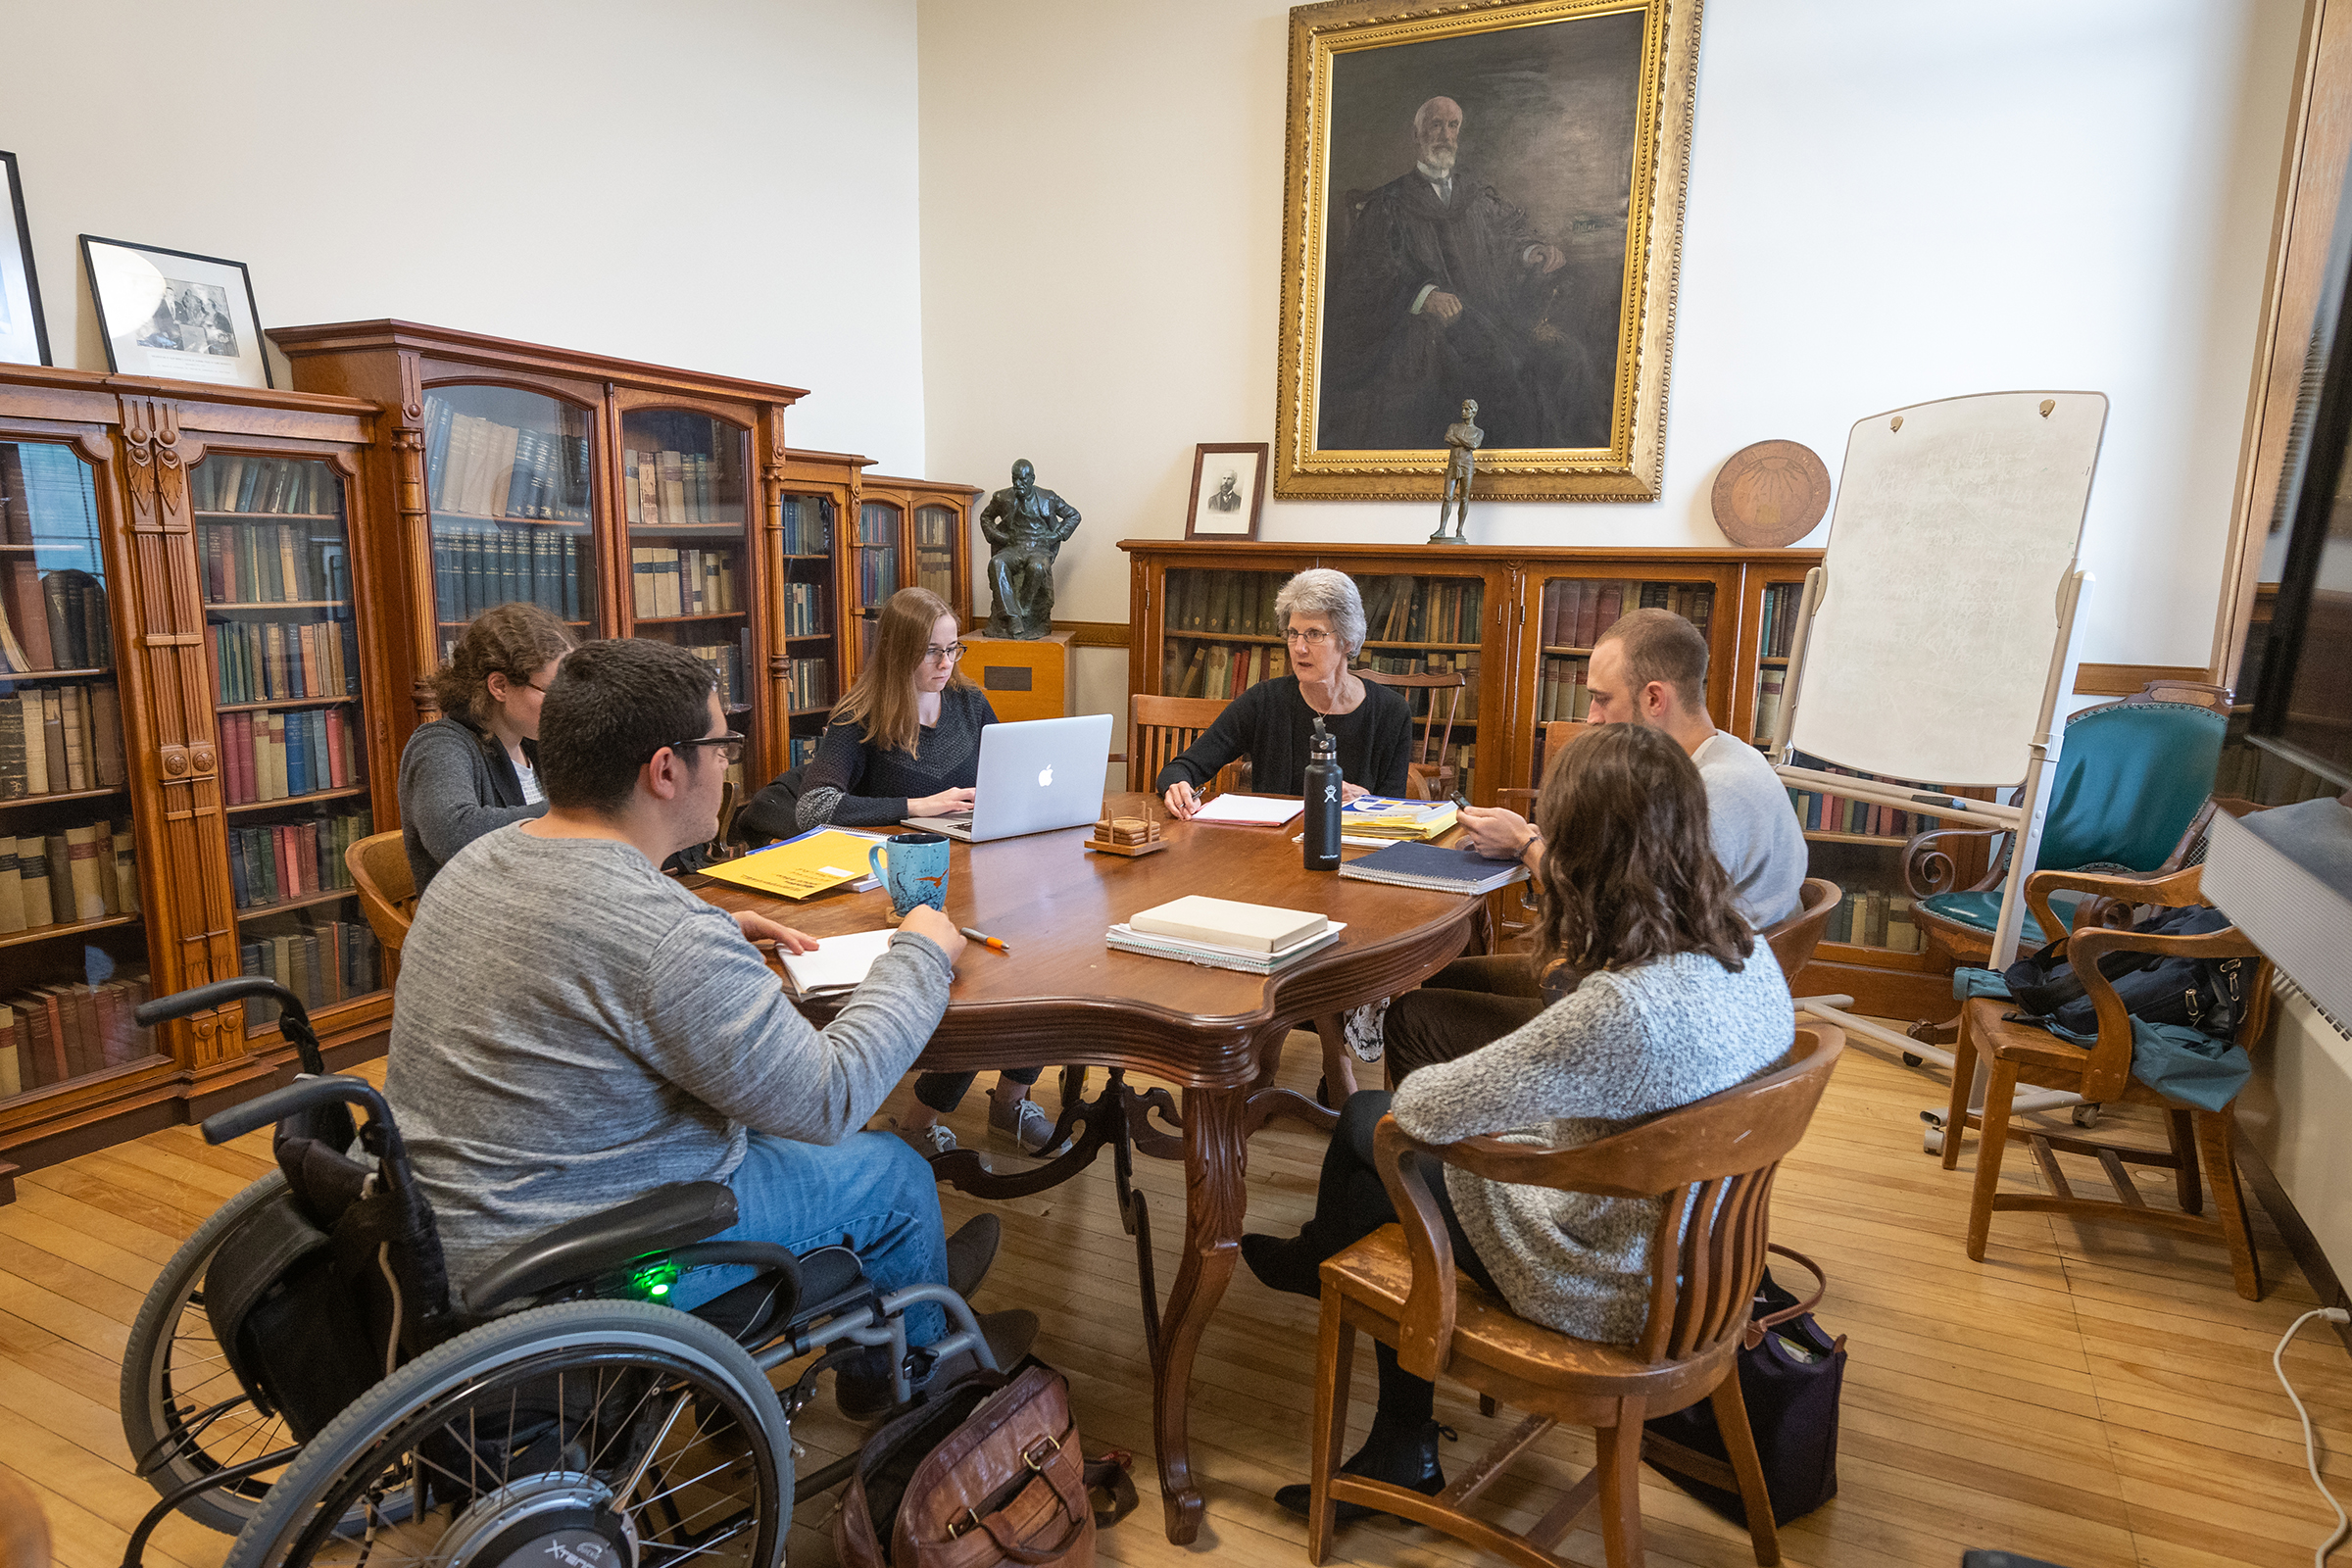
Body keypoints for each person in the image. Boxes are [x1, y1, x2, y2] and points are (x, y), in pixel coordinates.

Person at [382, 637, 1032, 1417]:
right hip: (585, 1259)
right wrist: (921, 954)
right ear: (665, 769)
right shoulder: (661, 938)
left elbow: (593, 951)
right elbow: (831, 1099)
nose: (730, 763)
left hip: (449, 1232)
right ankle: (921, 1377)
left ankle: (905, 1289)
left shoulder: (480, 863)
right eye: (721, 745)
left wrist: (706, 924)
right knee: (893, 1172)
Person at [1239, 722, 1795, 1522]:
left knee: (1373, 1123)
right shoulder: (1746, 952)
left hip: (1606, 1281)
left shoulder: (1624, 1007)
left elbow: (1428, 1108)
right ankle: (1382, 1398)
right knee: (1379, 1152)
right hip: (1702, 1261)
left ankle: (1382, 1398)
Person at [1365, 607, 1808, 1082]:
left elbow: (1621, 922)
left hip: (1661, 1020)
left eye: (1602, 699)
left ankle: (1461, 1147)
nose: (1592, 718)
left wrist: (1526, 844)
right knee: (1442, 977)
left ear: (1655, 698)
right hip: (1682, 987)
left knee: (1412, 1017)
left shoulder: (1711, 798)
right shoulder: (1725, 756)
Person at [796, 586, 1060, 1158]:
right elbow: (813, 807)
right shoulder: (858, 717)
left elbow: (1007, 772)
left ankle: (1012, 1098)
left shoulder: (968, 702)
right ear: (897, 653)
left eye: (953, 649)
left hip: (981, 865)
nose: (946, 664)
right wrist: (917, 806)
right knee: (968, 987)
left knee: (1039, 958)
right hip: (904, 888)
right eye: (932, 652)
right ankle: (916, 1121)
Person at [1316, 95, 1607, 453]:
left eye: (1452, 126)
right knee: (1507, 370)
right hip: (1441, 333)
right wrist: (1422, 296)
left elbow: (1509, 235)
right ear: (1416, 134)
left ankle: (1573, 464)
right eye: (1435, 125)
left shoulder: (1476, 196)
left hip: (1497, 318)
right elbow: (1368, 274)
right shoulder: (1389, 204)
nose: (1444, 134)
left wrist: (1534, 251)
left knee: (1571, 358)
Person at [1156, 567, 1413, 816]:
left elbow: (1395, 808)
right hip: (1272, 851)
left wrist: (1367, 802)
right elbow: (1184, 767)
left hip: (1354, 850)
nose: (1299, 647)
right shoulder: (1263, 701)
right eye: (1293, 633)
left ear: (1348, 640)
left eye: (1314, 634)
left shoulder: (1391, 712)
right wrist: (1176, 785)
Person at [398, 601, 575, 898]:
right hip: (477, 928)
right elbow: (452, 833)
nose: (567, 703)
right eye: (554, 690)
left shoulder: (535, 743)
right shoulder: (439, 744)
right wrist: (578, 811)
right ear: (500, 686)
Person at [979, 459, 1082, 639]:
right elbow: (985, 518)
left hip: (1038, 548)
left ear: (1032, 479)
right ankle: (1012, 617)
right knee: (997, 563)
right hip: (1013, 547)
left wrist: (1056, 536)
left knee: (1037, 567)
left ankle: (1024, 609)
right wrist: (999, 537)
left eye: (1022, 480)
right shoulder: (1002, 497)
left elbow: (1073, 515)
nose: (1018, 484)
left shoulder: (1048, 497)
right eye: (1014, 479)